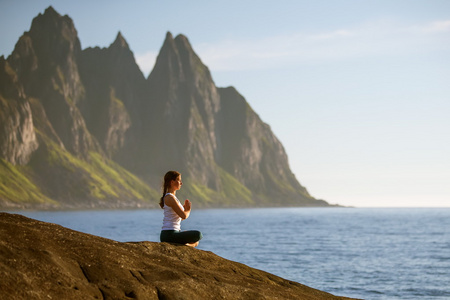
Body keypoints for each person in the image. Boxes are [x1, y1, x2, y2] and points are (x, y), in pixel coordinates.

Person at [159, 171, 203, 247]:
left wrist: (184, 209)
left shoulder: (172, 197)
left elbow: (178, 218)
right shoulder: (170, 198)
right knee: (198, 235)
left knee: (196, 241)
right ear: (172, 182)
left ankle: (185, 245)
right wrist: (188, 210)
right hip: (169, 234)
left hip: (173, 233)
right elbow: (183, 216)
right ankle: (187, 246)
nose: (181, 183)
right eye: (179, 180)